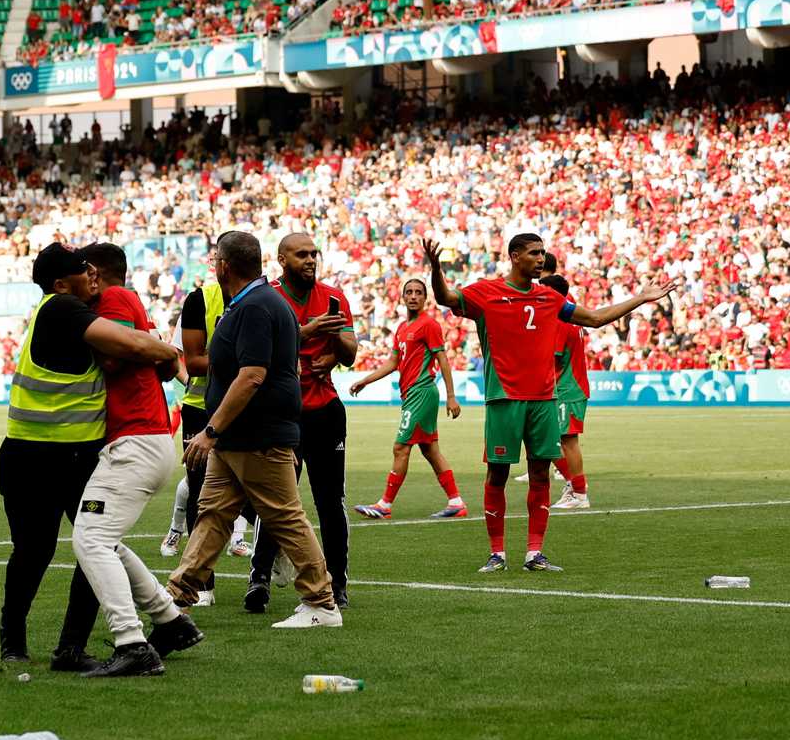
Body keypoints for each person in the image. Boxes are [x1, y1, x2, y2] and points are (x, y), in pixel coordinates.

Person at [424, 233, 673, 572]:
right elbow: (445, 296)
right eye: (533, 253)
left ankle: (534, 554)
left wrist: (640, 299)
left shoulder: (550, 298)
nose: (541, 259)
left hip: (543, 400)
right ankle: (497, 554)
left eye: (543, 253)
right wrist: (436, 268)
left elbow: (596, 318)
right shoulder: (486, 293)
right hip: (504, 399)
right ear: (514, 256)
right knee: (496, 475)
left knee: (541, 475)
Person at [0, 243, 185, 667]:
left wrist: (148, 343)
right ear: (62, 284)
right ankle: (15, 641)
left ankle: (70, 648)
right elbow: (133, 349)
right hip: (34, 456)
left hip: (78, 455)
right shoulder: (62, 308)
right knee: (36, 550)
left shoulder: (80, 307)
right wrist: (164, 350)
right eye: (84, 270)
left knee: (92, 544)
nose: (93, 275)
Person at [167, 231, 343, 629]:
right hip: (239, 438)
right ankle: (177, 597)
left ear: (223, 265)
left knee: (284, 517)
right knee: (212, 514)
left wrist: (210, 430)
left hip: (258, 435)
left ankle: (322, 602)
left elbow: (252, 375)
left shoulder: (255, 307)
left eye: (215, 260)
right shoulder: (256, 303)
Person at [71, 242, 204, 677]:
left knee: (89, 540)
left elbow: (114, 355)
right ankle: (170, 621)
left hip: (136, 440)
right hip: (142, 437)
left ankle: (132, 642)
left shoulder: (114, 298)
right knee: (103, 538)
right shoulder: (128, 303)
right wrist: (157, 347)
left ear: (94, 271)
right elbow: (163, 364)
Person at [245, 233, 356, 613]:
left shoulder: (334, 297)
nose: (310, 260)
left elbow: (351, 352)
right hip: (280, 412)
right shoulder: (267, 298)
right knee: (276, 501)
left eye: (314, 254)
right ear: (281, 259)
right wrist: (309, 331)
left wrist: (336, 347)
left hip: (325, 411)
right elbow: (266, 349)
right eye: (301, 255)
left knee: (330, 501)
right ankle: (259, 579)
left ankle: (337, 583)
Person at [160, 271, 257, 575]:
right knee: (197, 486)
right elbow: (184, 358)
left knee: (255, 483)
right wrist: (192, 381)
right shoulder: (200, 300)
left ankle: (261, 552)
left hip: (245, 408)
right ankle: (202, 581)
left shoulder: (260, 299)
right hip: (199, 409)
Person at [349, 278, 467, 519]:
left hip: (422, 392)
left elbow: (443, 359)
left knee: (400, 447)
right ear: (403, 297)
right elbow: (393, 362)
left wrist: (451, 396)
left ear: (425, 298)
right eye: (409, 292)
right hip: (411, 393)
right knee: (430, 450)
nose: (413, 296)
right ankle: (456, 502)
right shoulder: (402, 328)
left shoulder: (429, 325)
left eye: (418, 293)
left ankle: (385, 505)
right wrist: (365, 380)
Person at [538, 275, 591, 510]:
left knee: (567, 441)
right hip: (568, 386)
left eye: (543, 291)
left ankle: (579, 493)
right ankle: (574, 485)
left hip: (567, 388)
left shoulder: (559, 319)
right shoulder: (571, 313)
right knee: (548, 440)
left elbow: (553, 358)